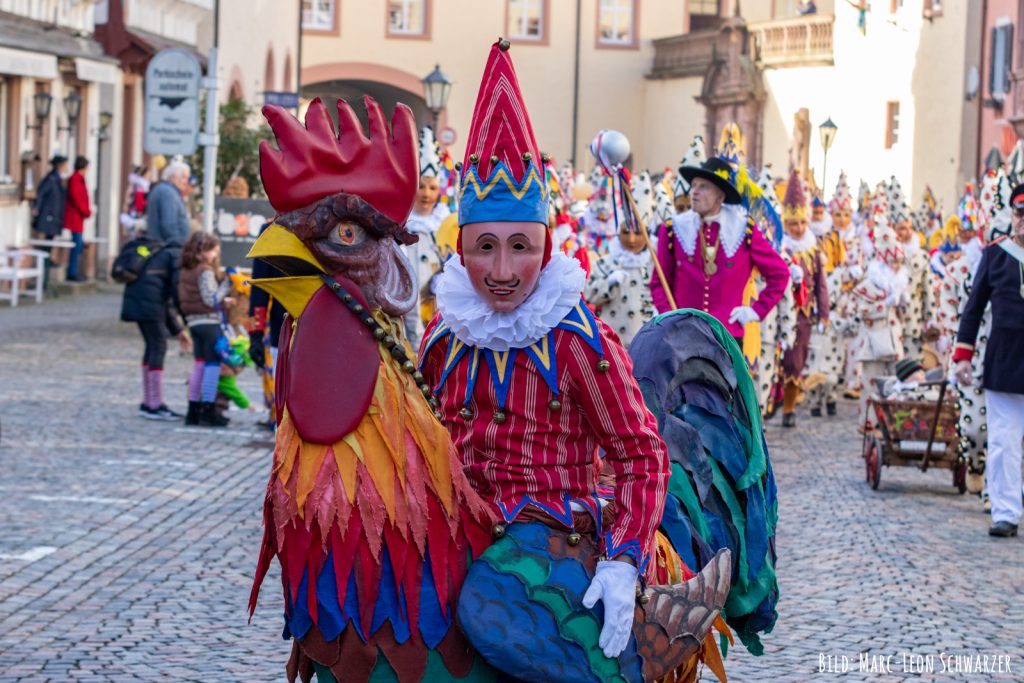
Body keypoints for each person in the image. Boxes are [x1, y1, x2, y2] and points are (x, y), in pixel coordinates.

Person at [651, 155, 790, 344]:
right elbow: (659, 282)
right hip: (682, 335)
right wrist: (669, 316)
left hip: (727, 338)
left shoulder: (744, 229)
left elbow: (780, 273)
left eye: (703, 187)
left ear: (720, 195)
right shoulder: (673, 229)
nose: (694, 192)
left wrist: (755, 311)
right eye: (694, 185)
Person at [953, 183, 1024, 538]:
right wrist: (963, 355)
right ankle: (1006, 513)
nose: (1023, 220)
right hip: (1005, 361)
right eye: (1020, 213)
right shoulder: (996, 254)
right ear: (1013, 215)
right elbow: (974, 307)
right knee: (1003, 442)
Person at [778, 169, 829, 428]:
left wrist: (824, 314)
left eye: (801, 223)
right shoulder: (779, 247)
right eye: (793, 224)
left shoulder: (813, 249)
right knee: (780, 358)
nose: (798, 229)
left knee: (796, 359)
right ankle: (775, 402)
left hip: (804, 314)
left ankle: (789, 407)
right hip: (780, 311)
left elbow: (820, 284)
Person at [120, 238, 190, 419]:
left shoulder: (161, 252)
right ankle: (154, 404)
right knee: (158, 347)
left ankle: (149, 402)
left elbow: (165, 299)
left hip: (138, 302)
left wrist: (177, 330)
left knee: (152, 346)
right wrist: (188, 320)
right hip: (150, 306)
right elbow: (176, 293)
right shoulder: (176, 256)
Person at [178, 231, 233, 427]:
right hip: (209, 323)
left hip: (193, 322)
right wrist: (227, 284)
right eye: (213, 251)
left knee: (199, 365)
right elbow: (211, 299)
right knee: (212, 366)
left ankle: (192, 411)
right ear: (201, 250)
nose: (215, 255)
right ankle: (208, 410)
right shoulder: (204, 270)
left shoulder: (185, 270)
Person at [401, 126, 448, 347]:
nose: (427, 194)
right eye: (421, 186)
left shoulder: (445, 225)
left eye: (432, 187)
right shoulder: (402, 225)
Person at [146, 161, 192, 245]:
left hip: (165, 246)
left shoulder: (168, 191)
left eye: (187, 178)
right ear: (172, 177)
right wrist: (179, 245)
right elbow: (169, 225)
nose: (186, 182)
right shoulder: (168, 193)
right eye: (183, 177)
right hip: (168, 247)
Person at [64, 156, 92, 282]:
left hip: (79, 218)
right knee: (77, 244)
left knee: (78, 244)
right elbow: (76, 198)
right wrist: (85, 211)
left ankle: (75, 271)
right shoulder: (75, 179)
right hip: (75, 217)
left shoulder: (80, 179)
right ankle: (72, 272)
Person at [32, 155, 68, 238]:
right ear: (60, 165)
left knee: (50, 238)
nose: (67, 167)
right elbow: (41, 193)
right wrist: (36, 207)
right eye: (65, 165)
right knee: (48, 240)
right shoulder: (51, 179)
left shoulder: (58, 178)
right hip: (49, 214)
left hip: (54, 214)